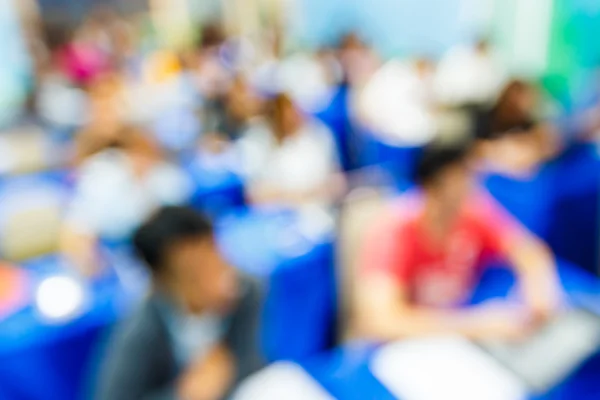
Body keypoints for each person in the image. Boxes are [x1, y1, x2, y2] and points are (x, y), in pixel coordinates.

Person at [354, 141, 561, 341]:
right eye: (463, 177)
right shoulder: (393, 231)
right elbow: (380, 322)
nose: (473, 185)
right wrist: (476, 325)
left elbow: (527, 250)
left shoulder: (471, 212)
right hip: (407, 348)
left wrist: (540, 292)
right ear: (435, 183)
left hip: (452, 335)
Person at [95, 206, 264, 400]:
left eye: (214, 257)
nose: (213, 276)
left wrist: (226, 370)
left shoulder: (246, 290)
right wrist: (184, 395)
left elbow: (253, 361)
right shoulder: (140, 333)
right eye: (194, 272)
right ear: (162, 283)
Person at [60, 126, 192, 276]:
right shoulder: (102, 176)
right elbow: (78, 227)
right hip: (115, 259)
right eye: (133, 152)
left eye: (145, 152)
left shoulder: (168, 178)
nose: (140, 158)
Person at [237, 93, 344, 212]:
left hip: (318, 212)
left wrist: (307, 194)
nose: (288, 115)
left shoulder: (319, 134)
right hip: (275, 217)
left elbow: (337, 184)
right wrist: (292, 195)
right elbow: (255, 195)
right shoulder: (257, 140)